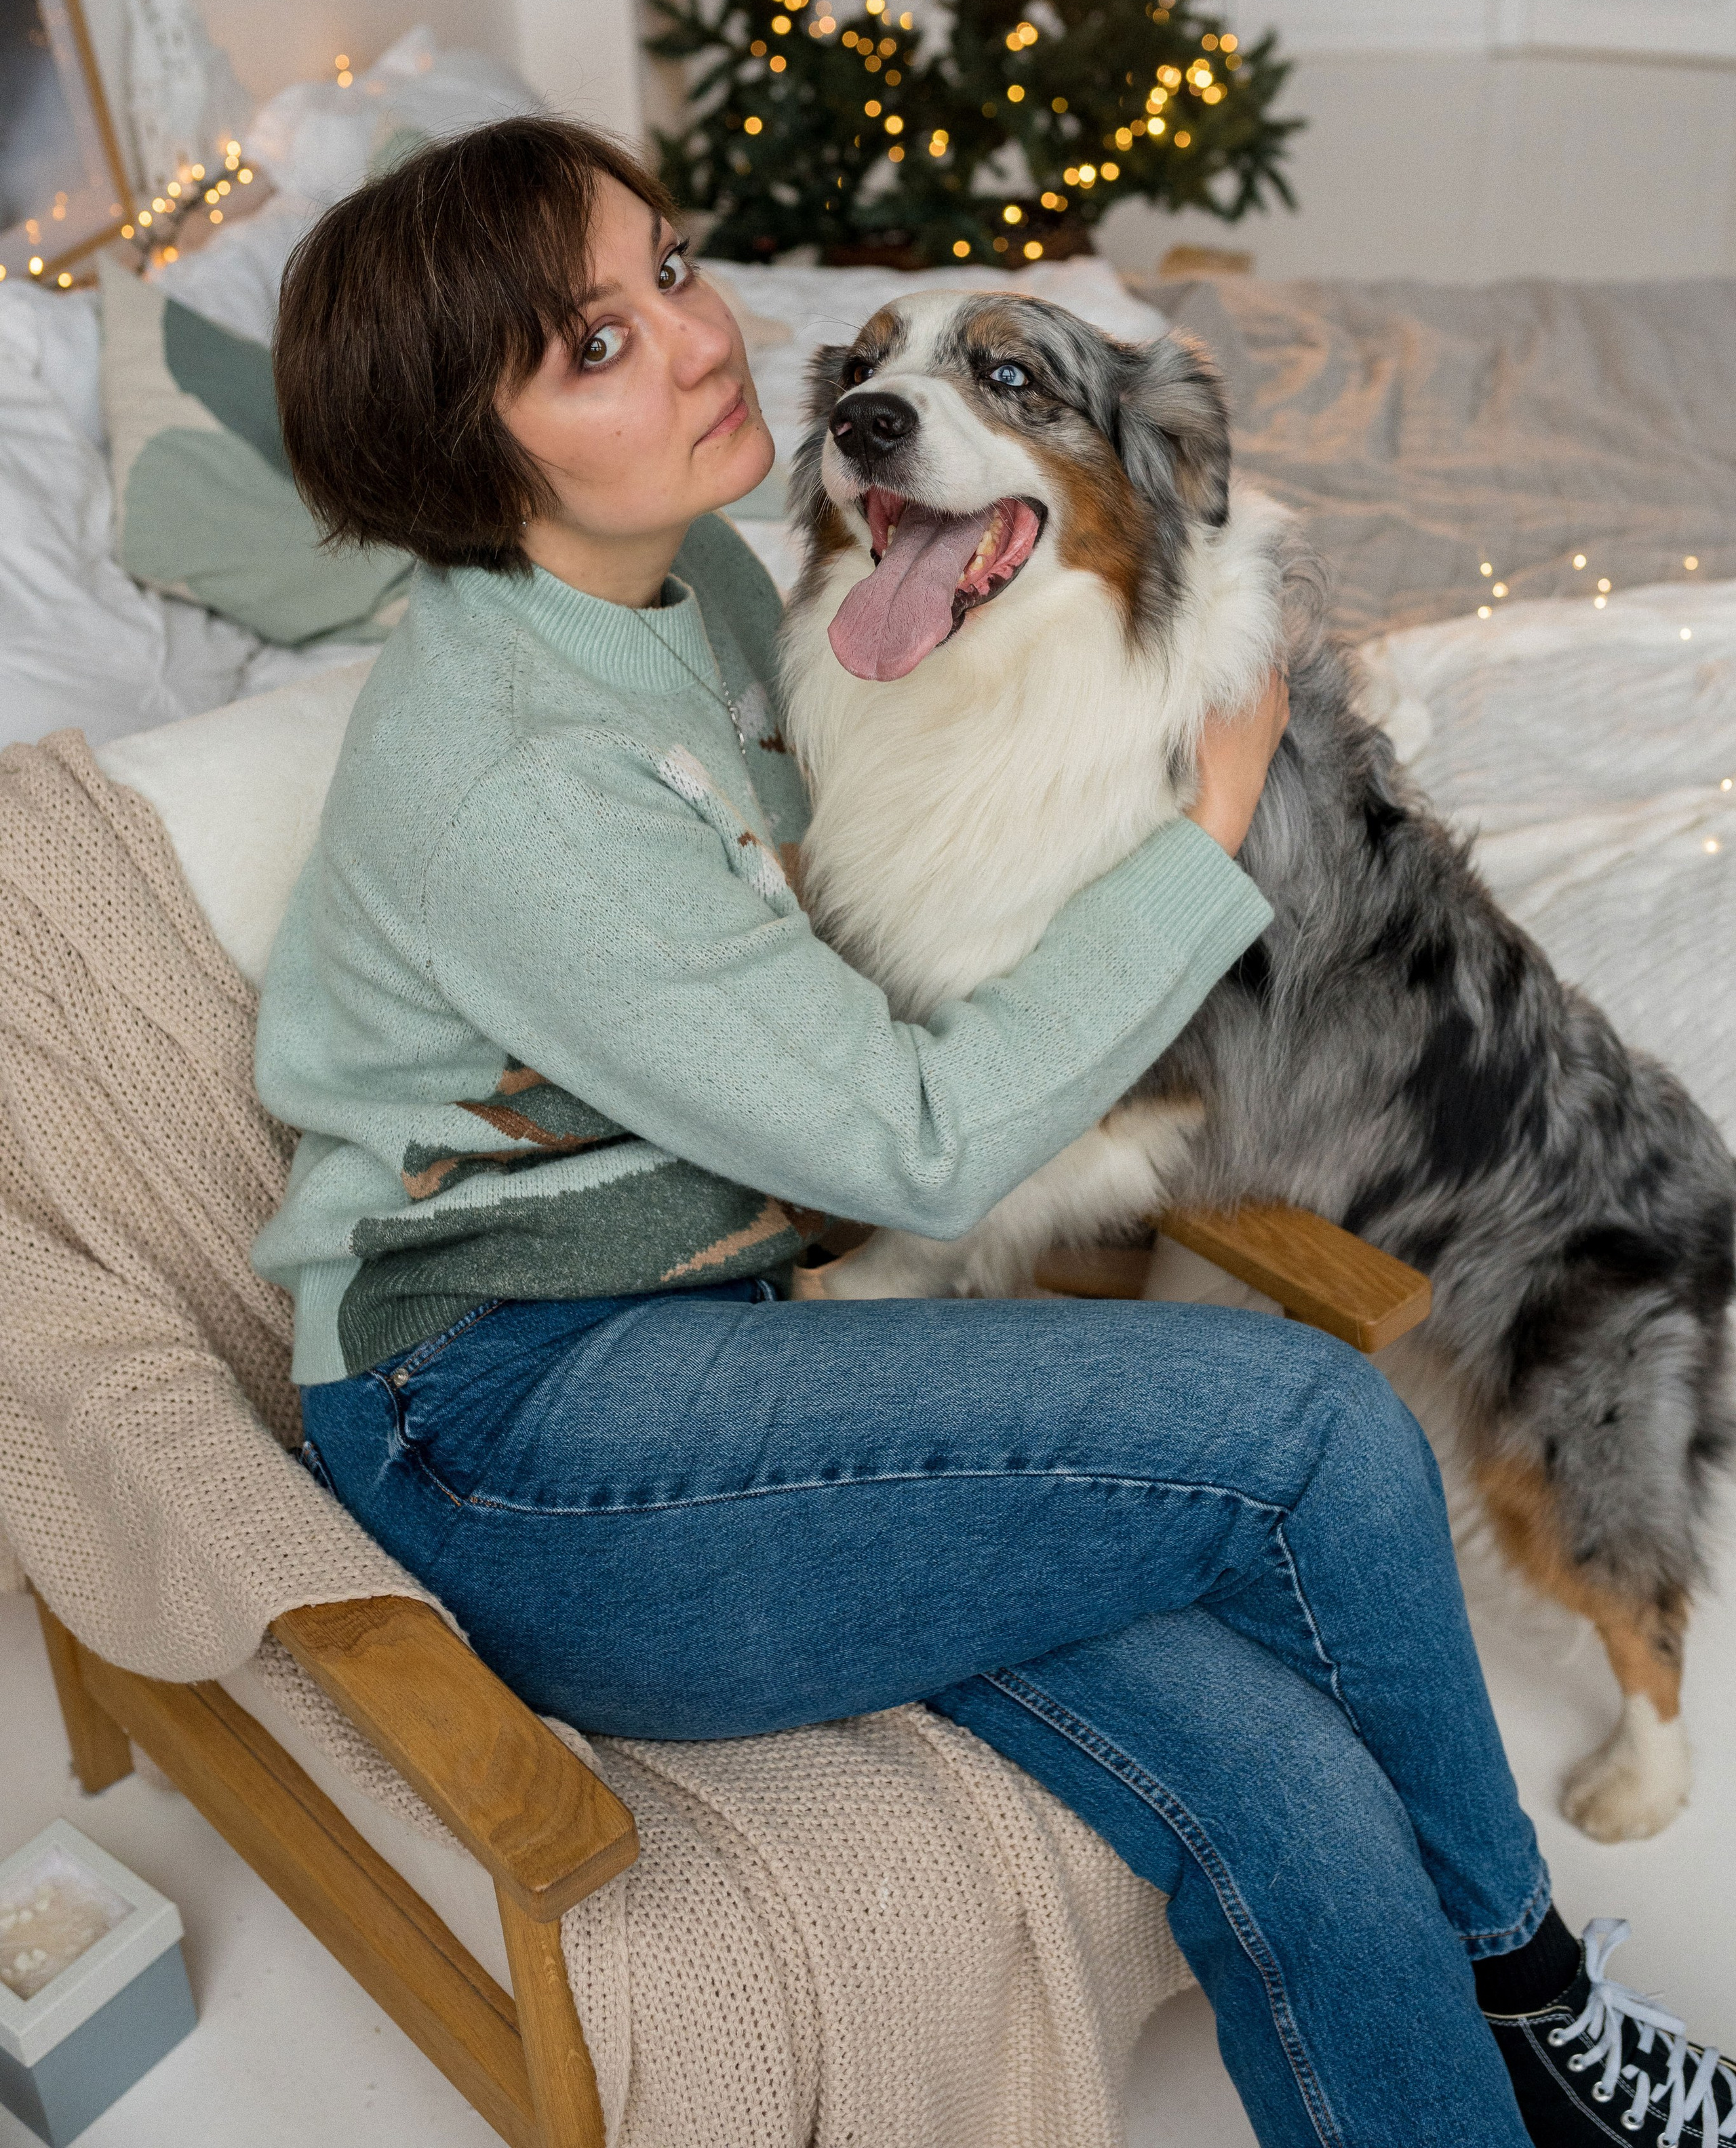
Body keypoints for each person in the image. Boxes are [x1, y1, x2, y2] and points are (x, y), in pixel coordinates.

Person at [255, 117, 1733, 2148]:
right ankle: (1538, 1990)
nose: (708, 344)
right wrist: (1212, 830)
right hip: (516, 1429)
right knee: (1319, 1439)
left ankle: (1503, 2099)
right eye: (593, 346)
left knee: (1290, 1779)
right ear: (462, 450)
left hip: (734, 1333)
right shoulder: (510, 776)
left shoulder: (683, 581)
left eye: (674, 268)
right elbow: (928, 1150)